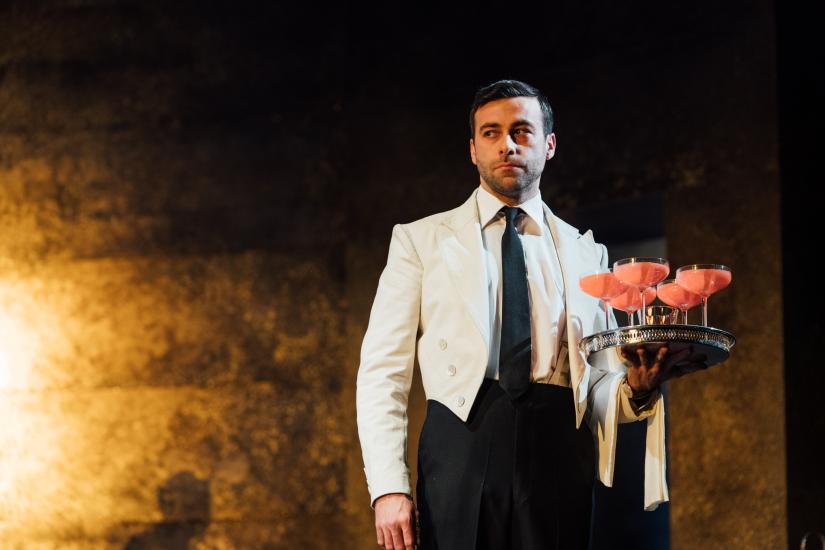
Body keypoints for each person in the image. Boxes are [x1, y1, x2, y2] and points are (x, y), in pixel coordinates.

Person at [355, 79, 706, 550]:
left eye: (522, 131)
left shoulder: (587, 253)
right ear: (473, 149)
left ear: (549, 144)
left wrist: (637, 390)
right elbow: (382, 373)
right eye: (492, 133)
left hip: (560, 450)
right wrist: (388, 488)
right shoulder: (420, 241)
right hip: (460, 445)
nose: (507, 145)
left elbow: (597, 385)